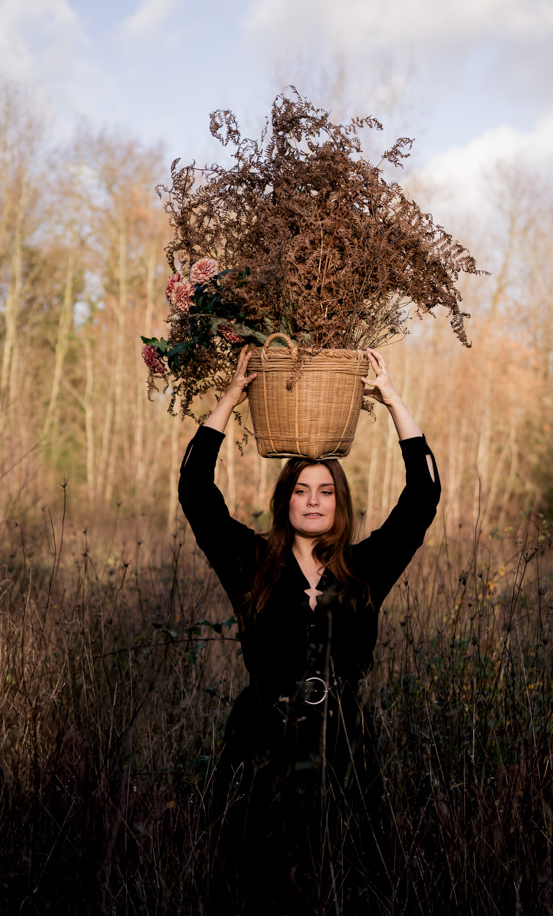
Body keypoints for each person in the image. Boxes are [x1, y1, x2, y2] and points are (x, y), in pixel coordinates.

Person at [179, 346, 441, 915]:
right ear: (285, 500)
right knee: (253, 884)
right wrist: (230, 398)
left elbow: (422, 498)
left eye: (325, 491)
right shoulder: (252, 563)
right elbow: (196, 493)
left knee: (348, 876)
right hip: (262, 739)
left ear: (340, 503)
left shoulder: (366, 569)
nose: (314, 500)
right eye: (301, 490)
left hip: (343, 740)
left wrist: (392, 400)